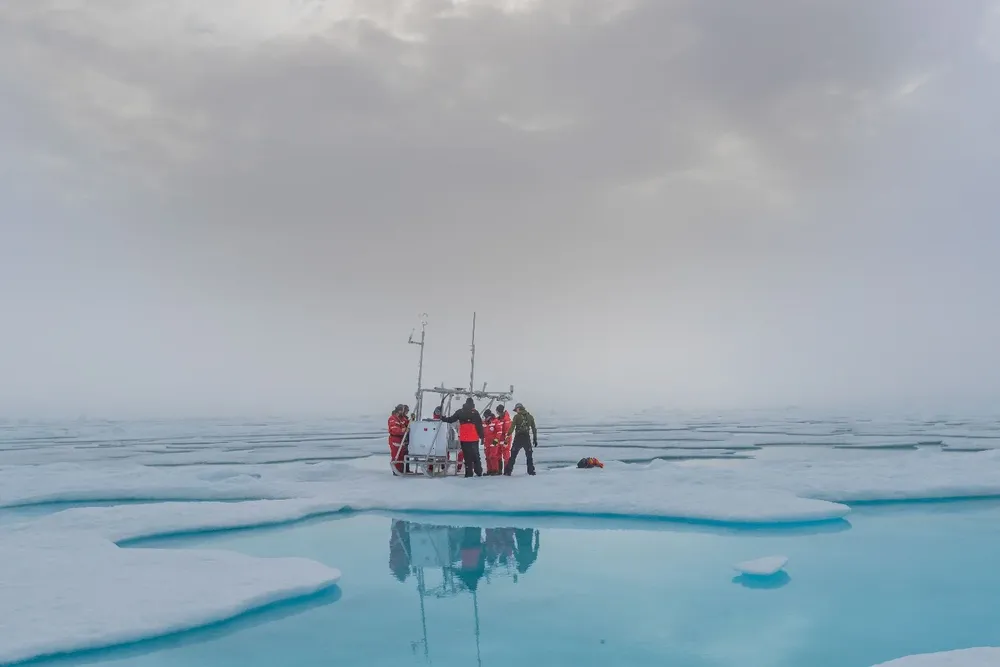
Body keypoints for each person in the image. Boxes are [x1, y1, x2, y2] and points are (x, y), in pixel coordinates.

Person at [441, 397, 484, 477]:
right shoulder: (475, 412)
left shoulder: (460, 412)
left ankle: (468, 473)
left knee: (467, 456)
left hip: (464, 438)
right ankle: (478, 471)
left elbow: (451, 419)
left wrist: (443, 418)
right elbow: (479, 425)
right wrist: (482, 436)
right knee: (476, 455)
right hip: (474, 437)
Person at [504, 402, 537, 476]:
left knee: (513, 455)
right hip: (526, 438)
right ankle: (531, 471)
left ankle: (508, 471)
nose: (516, 411)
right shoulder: (530, 417)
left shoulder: (516, 417)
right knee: (529, 455)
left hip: (518, 438)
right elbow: (534, 428)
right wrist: (535, 439)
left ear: (518, 409)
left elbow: (512, 428)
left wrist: (507, 436)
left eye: (516, 410)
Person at [387, 404, 409, 474]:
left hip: (401, 440)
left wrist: (412, 420)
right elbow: (394, 429)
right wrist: (402, 430)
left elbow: (407, 423)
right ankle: (396, 471)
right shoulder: (392, 418)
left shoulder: (402, 419)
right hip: (395, 439)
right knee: (396, 455)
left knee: (402, 456)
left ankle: (402, 470)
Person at [482, 409, 502, 475]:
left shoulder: (495, 421)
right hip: (487, 442)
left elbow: (499, 431)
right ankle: (489, 470)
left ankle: (495, 470)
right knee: (487, 456)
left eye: (486, 416)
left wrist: (496, 440)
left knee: (493, 456)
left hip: (494, 441)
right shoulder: (484, 423)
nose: (485, 418)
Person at [494, 403, 513, 471]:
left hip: (505, 440)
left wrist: (506, 441)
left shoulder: (506, 420)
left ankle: (507, 470)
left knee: (506, 455)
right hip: (499, 439)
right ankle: (499, 470)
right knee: (497, 454)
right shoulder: (498, 419)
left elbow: (508, 432)